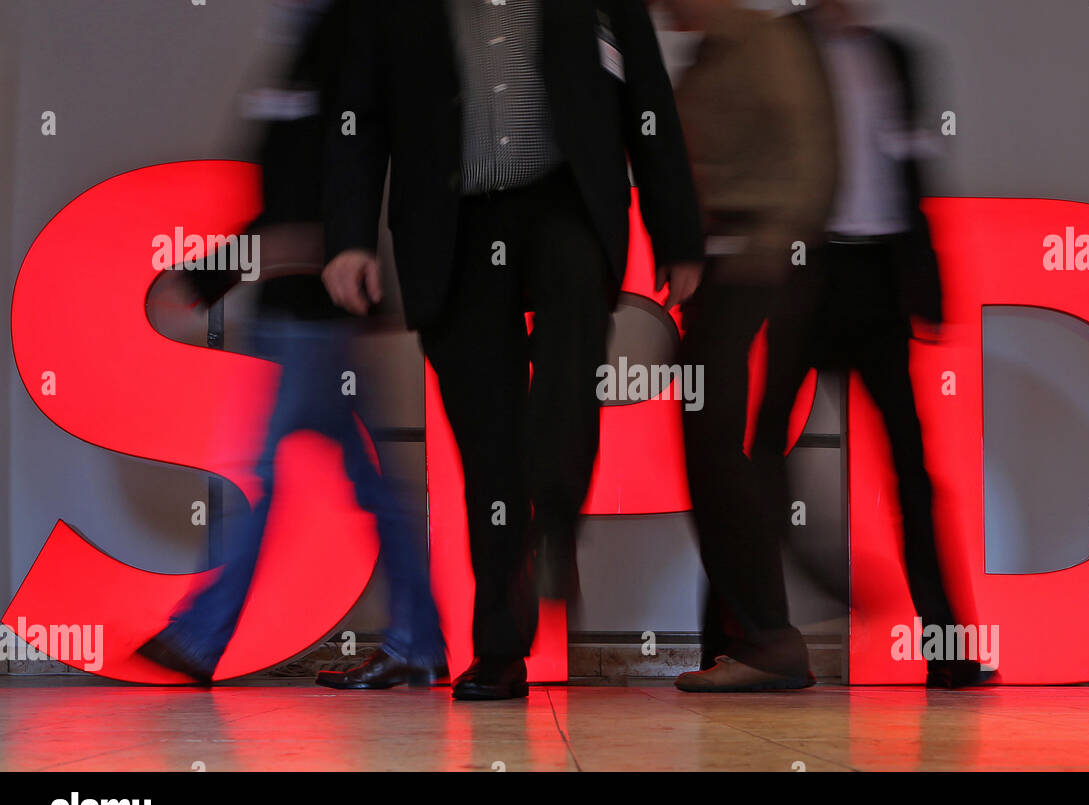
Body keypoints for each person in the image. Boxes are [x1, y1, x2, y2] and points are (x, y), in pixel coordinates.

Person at [321, 0, 704, 700]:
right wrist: (347, 236)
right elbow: (358, 114)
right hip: (452, 224)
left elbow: (646, 99)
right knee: (486, 442)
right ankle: (500, 647)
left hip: (566, 205)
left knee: (569, 364)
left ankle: (554, 517)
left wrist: (678, 235)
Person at [137, 0, 446, 688]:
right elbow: (301, 199)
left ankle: (201, 636)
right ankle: (418, 641)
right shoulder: (318, 41)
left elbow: (315, 203)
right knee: (372, 490)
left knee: (266, 476)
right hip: (313, 314)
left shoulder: (340, 40)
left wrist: (203, 278)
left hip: (310, 316)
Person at [752, 0, 983, 688]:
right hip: (803, 271)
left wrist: (928, 282)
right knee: (759, 459)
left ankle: (947, 650)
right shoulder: (779, 49)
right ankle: (740, 639)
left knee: (911, 469)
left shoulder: (896, 58)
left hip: (877, 280)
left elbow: (916, 174)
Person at [654, 0, 838, 692]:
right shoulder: (715, 52)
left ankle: (767, 639)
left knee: (726, 458)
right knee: (719, 457)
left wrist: (764, 259)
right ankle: (745, 637)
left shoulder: (760, 44)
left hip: (751, 278)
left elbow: (808, 157)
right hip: (727, 277)